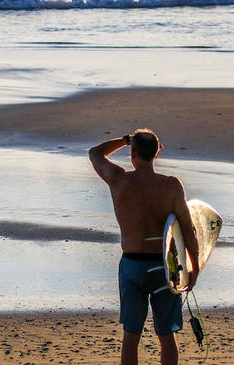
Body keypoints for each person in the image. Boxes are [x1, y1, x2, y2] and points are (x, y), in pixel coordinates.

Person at [90, 129, 199, 365]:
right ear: (157, 153)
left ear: (133, 153)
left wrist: (124, 140)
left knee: (131, 335)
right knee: (166, 335)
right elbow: (188, 228)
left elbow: (95, 153)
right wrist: (195, 265)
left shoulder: (119, 179)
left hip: (132, 268)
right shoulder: (171, 186)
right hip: (164, 267)